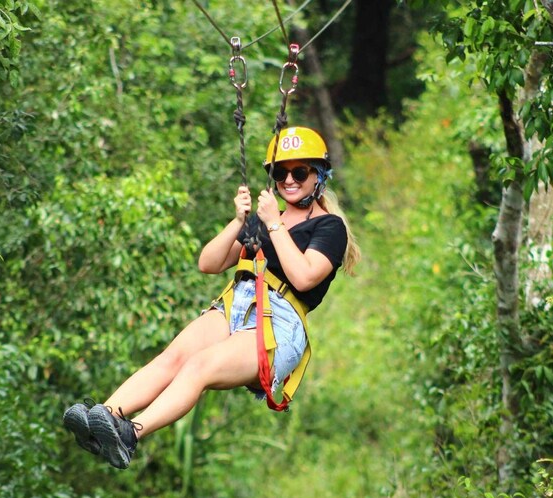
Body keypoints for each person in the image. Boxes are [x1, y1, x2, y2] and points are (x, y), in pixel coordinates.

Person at [63, 126, 360, 469]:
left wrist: (273, 225)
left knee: (198, 367)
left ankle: (130, 435)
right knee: (173, 357)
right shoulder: (266, 220)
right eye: (281, 172)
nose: (289, 180)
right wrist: (239, 222)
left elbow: (304, 276)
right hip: (237, 302)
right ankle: (103, 419)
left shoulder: (329, 227)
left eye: (299, 172)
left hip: (279, 322)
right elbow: (210, 262)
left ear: (318, 176)